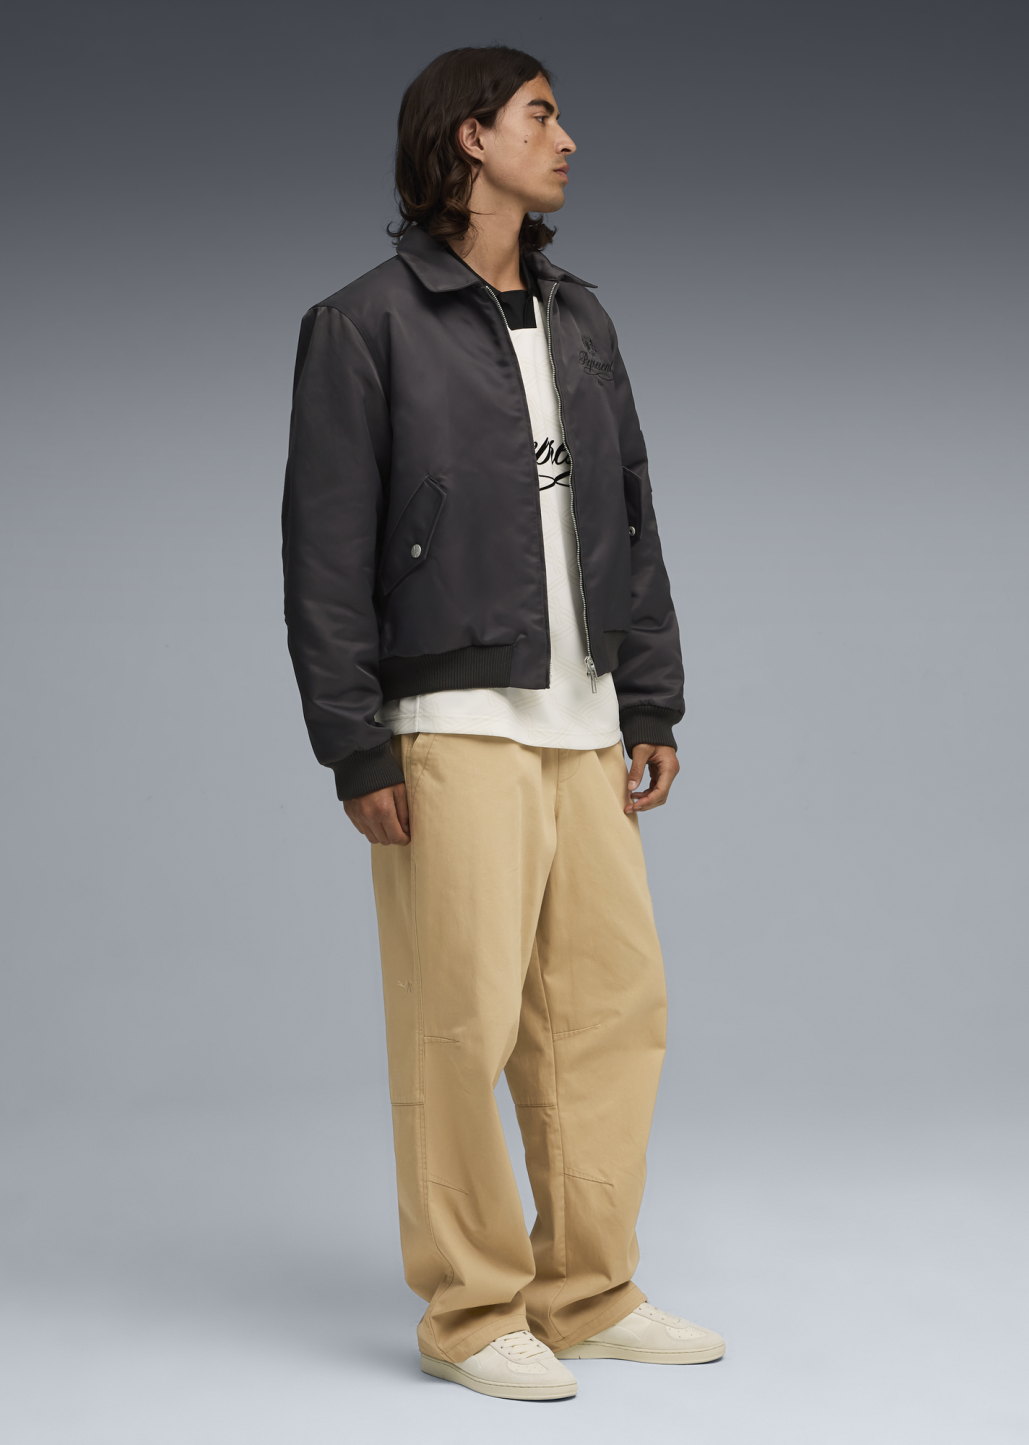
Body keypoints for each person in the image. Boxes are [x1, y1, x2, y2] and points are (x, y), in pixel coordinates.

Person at [281, 45, 723, 1401]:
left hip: (582, 720)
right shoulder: (364, 325)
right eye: (541, 115)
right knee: (459, 1027)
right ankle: (473, 1312)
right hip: (451, 719)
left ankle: (585, 1292)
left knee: (608, 1011)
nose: (567, 138)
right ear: (469, 138)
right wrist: (355, 742)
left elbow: (632, 516)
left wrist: (651, 693)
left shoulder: (582, 319)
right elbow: (323, 552)